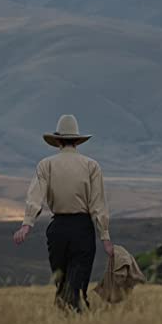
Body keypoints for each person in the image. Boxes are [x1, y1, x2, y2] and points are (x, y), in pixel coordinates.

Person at [13, 114, 112, 312]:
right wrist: (105, 236)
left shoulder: (45, 165)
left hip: (57, 229)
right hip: (82, 228)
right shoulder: (91, 166)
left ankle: (66, 319)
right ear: (77, 140)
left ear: (57, 140)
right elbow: (98, 205)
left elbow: (35, 196)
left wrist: (27, 224)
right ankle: (75, 319)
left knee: (62, 278)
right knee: (77, 277)